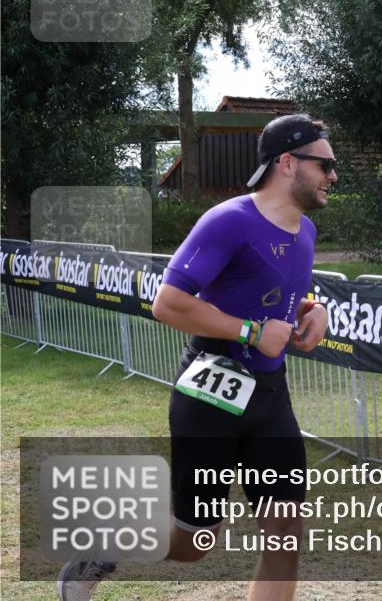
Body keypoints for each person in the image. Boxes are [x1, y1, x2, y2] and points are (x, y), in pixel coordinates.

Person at [57, 114, 337, 601]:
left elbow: (278, 295)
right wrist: (250, 332)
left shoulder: (306, 231)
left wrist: (316, 312)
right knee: (194, 542)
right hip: (211, 391)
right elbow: (167, 303)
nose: (333, 176)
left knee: (285, 534)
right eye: (325, 165)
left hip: (270, 398)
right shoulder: (229, 220)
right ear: (288, 163)